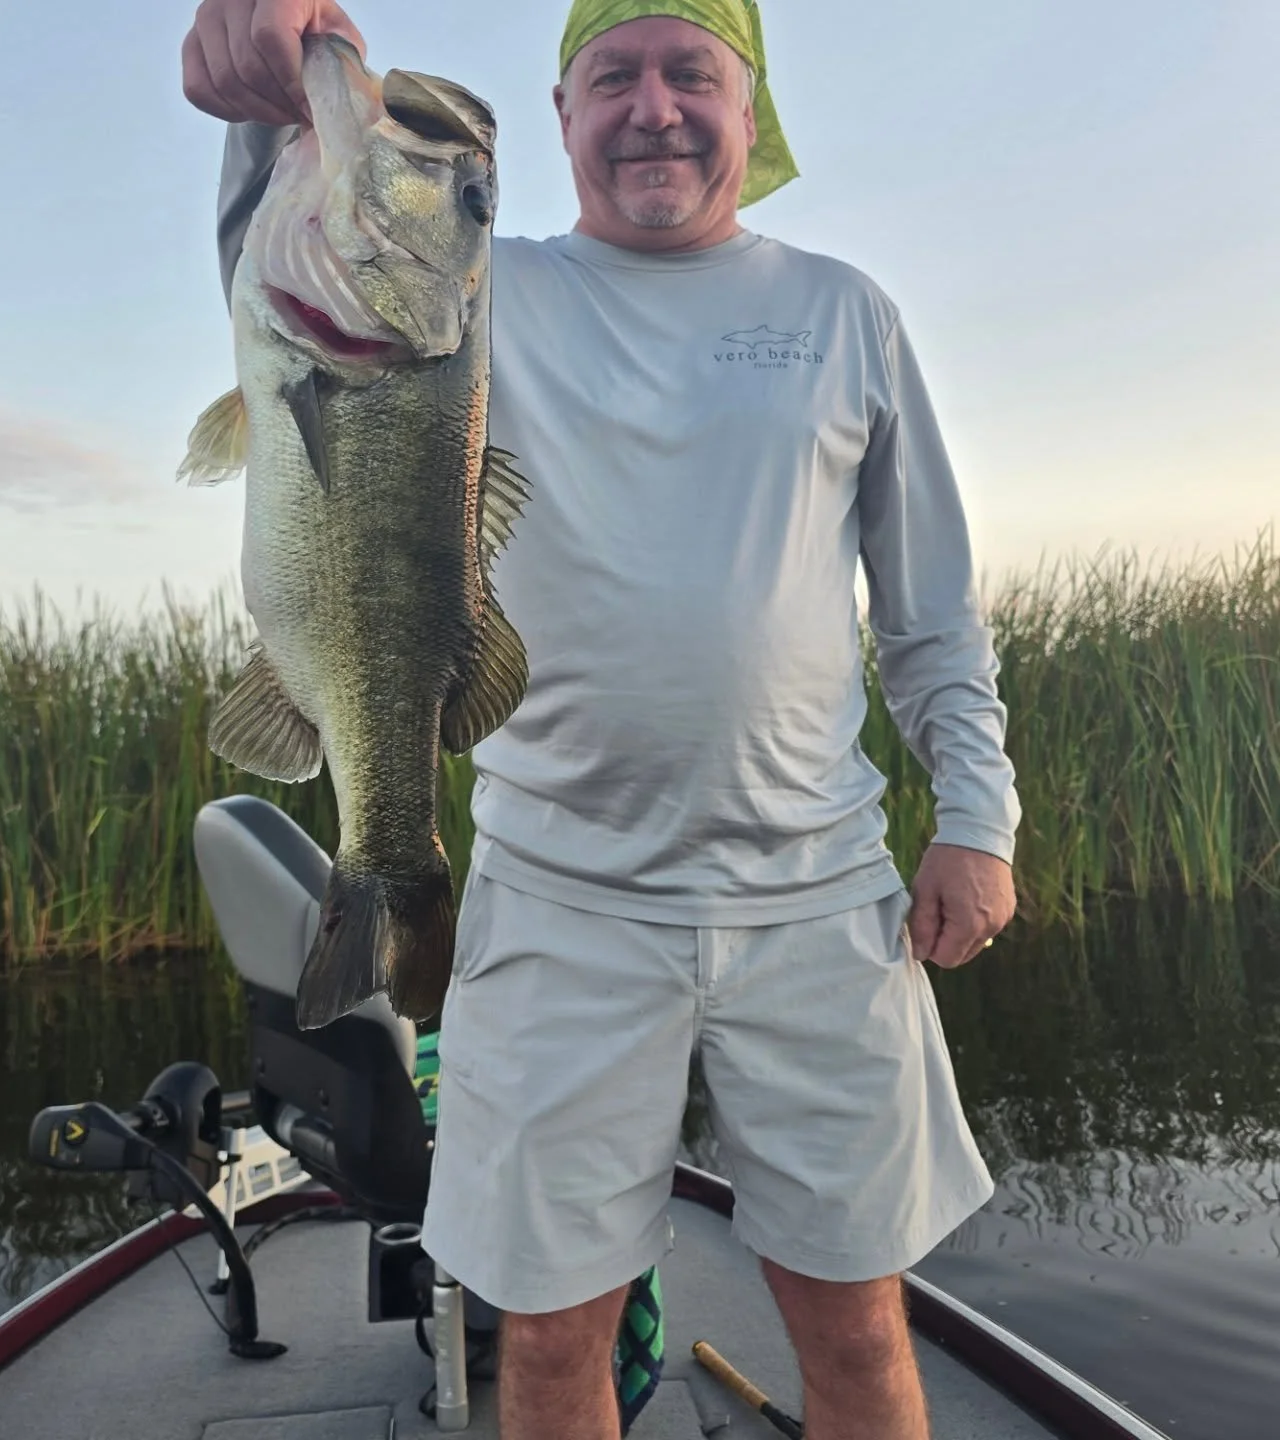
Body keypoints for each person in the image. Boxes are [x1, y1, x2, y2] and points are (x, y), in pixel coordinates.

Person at [181, 3, 1023, 1437]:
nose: (655, 108)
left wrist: (977, 818)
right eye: (612, 77)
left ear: (752, 119)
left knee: (864, 1337)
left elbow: (929, 609)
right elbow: (287, 219)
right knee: (553, 1350)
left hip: (821, 901)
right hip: (554, 903)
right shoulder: (469, 293)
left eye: (692, 72)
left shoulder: (843, 313)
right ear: (563, 117)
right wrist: (262, 63)